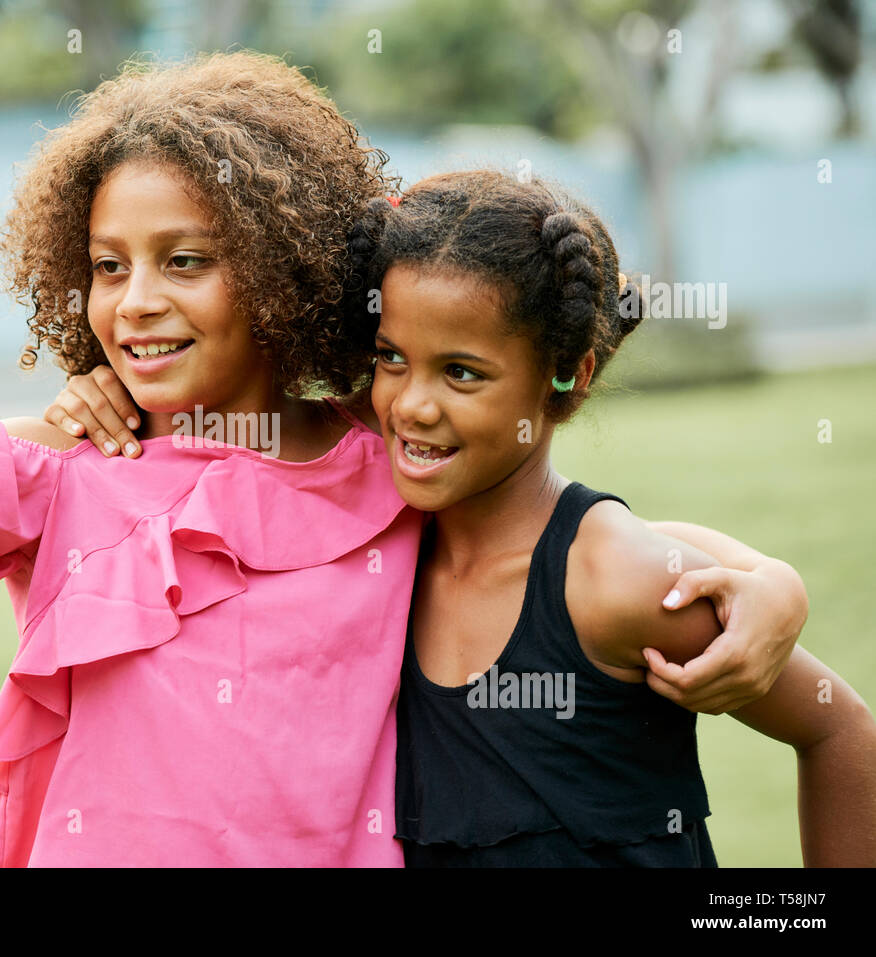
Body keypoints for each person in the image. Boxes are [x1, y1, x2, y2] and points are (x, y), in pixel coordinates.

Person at [0, 52, 803, 867]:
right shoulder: (67, 463)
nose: (135, 303)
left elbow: (546, 531)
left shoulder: (377, 457)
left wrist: (766, 583)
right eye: (106, 266)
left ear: (283, 262)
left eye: (184, 260)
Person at [360, 170, 875, 865]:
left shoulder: (617, 584)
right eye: (392, 357)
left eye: (462, 372)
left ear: (565, 373)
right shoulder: (369, 558)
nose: (412, 405)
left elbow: (840, 732)